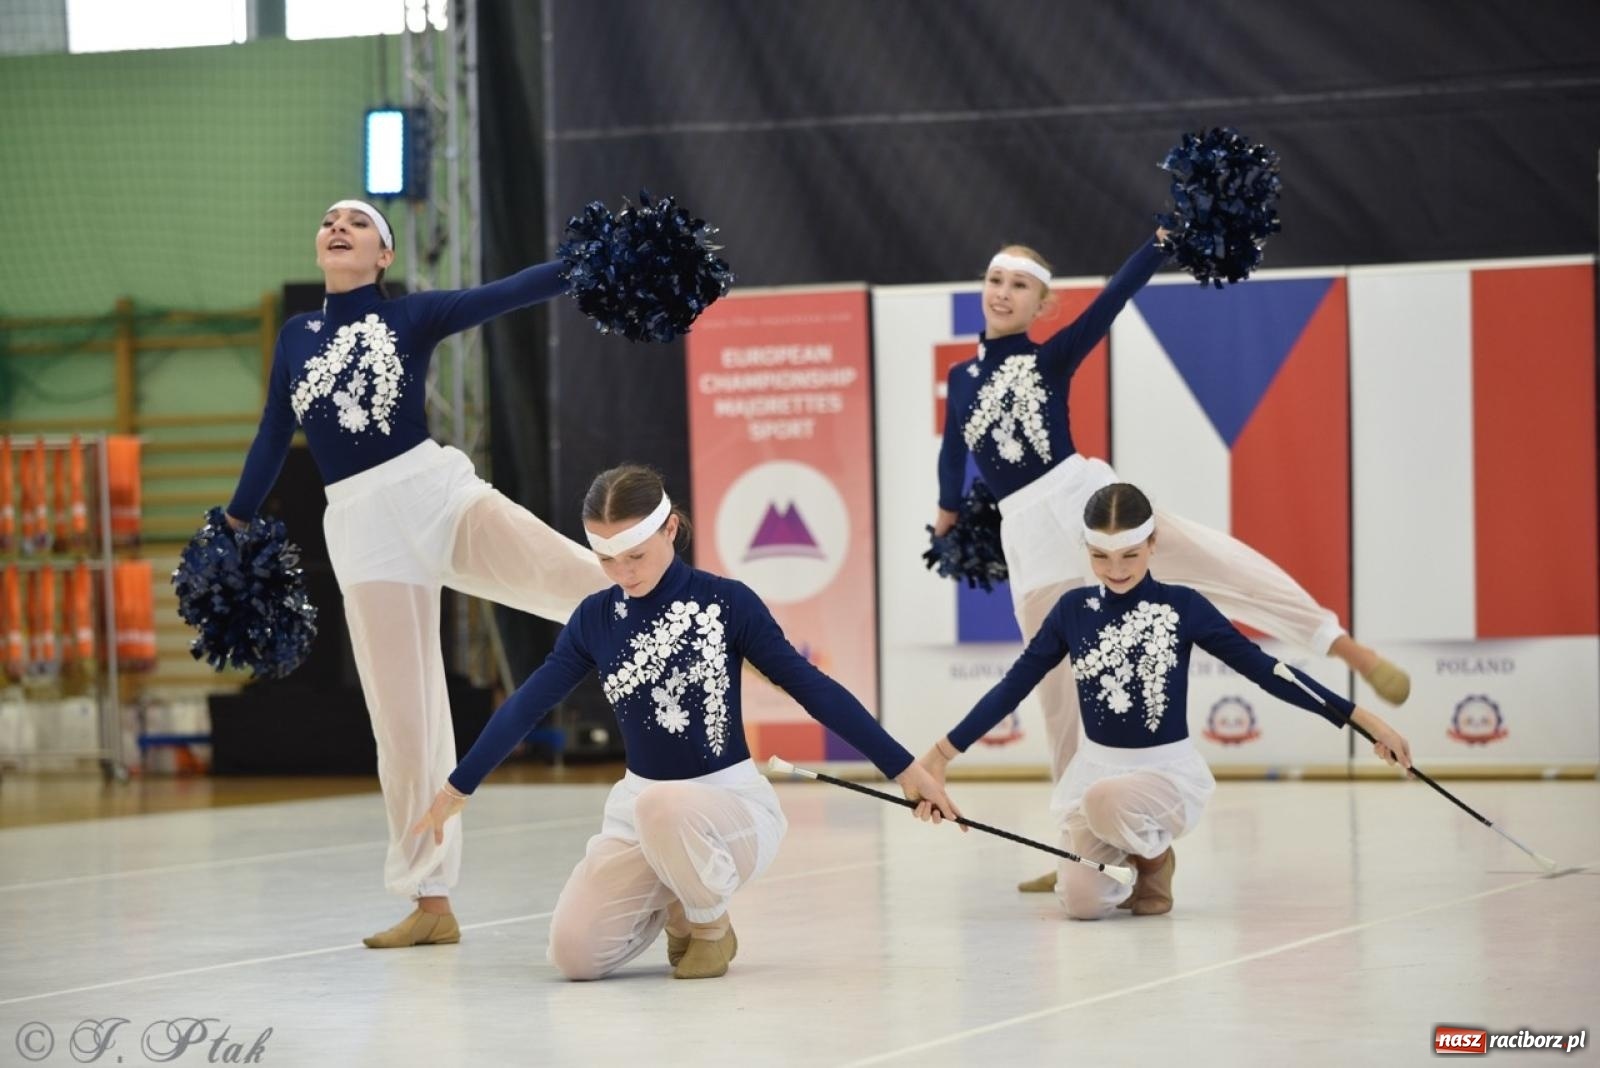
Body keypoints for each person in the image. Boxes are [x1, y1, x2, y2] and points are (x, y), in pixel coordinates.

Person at [934, 234, 1411, 892]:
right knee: (1057, 697)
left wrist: (1158, 244)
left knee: (1215, 561)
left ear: (1043, 305)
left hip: (1082, 497)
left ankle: (1337, 642)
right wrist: (946, 513)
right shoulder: (961, 380)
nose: (1002, 291)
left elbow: (1112, 300)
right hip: (1026, 535)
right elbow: (953, 453)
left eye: (1019, 285)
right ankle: (1081, 837)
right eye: (995, 279)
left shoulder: (1050, 358)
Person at [226, 199, 609, 948]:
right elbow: (274, 434)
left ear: (383, 258)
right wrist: (233, 528)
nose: (338, 225)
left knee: (579, 579)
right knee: (403, 725)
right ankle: (431, 903)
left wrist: (590, 262)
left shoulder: (415, 317)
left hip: (433, 494)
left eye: (358, 223)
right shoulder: (295, 339)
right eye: (329, 219)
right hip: (362, 529)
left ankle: (722, 639)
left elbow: (511, 291)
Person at [412, 464, 961, 979]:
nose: (622, 573)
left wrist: (906, 769)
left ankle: (709, 923)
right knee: (574, 956)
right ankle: (675, 896)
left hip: (729, 809)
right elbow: (528, 704)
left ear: (670, 528)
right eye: (605, 559)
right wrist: (457, 787)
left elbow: (811, 688)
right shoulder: (594, 619)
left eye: (635, 554)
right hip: (641, 810)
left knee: (665, 806)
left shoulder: (727, 603)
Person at [920, 482, 1413, 918]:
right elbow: (1014, 685)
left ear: (1153, 543)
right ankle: (1119, 857)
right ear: (1086, 548)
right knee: (1082, 903)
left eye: (1130, 555)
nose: (1115, 569)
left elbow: (1267, 671)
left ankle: (1155, 859)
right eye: (1100, 556)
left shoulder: (1184, 606)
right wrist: (941, 754)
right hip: (1096, 769)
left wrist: (1361, 719)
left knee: (1104, 801)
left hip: (1163, 775)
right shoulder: (1071, 610)